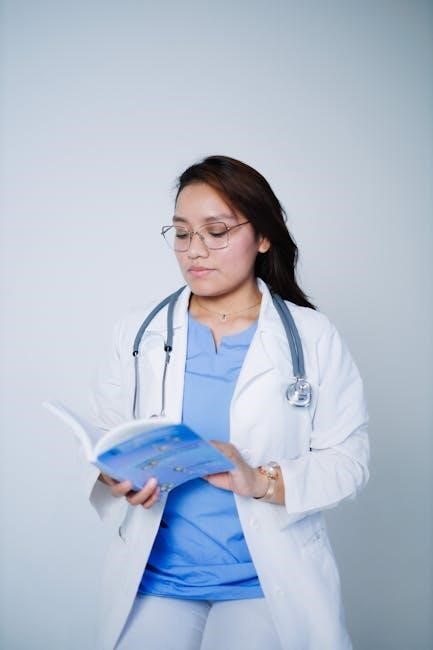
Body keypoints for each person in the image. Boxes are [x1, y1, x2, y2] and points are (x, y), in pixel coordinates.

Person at [85, 155, 369, 650]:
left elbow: (349, 461)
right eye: (181, 233)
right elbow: (105, 434)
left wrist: (260, 480)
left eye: (216, 232)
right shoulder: (138, 333)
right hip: (158, 577)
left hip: (264, 580)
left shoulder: (312, 336)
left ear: (263, 237)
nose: (194, 250)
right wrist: (115, 476)